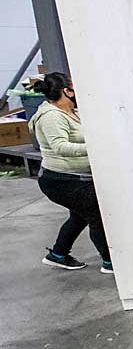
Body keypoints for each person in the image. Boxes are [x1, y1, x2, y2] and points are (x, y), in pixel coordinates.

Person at [27, 73, 113, 274]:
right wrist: (95, 147)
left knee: (79, 216)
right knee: (96, 215)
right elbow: (60, 146)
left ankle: (57, 254)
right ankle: (110, 263)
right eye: (73, 87)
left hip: (74, 177)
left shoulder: (71, 111)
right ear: (66, 91)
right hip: (61, 180)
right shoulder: (51, 116)